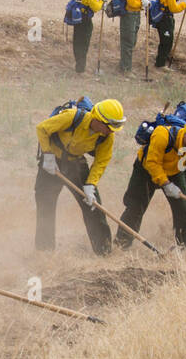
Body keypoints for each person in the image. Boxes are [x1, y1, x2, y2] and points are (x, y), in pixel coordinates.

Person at [117, 114, 186, 249]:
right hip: (146, 170)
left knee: (184, 208)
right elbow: (152, 163)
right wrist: (166, 184)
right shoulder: (162, 135)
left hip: (174, 172)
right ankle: (122, 243)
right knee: (135, 206)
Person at [34, 98, 126, 254]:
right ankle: (45, 252)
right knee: (45, 204)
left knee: (93, 207)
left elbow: (102, 160)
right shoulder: (72, 117)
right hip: (52, 163)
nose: (110, 131)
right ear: (97, 119)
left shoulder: (107, 136)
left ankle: (104, 252)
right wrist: (48, 155)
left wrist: (90, 185)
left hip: (75, 164)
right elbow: (42, 128)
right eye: (108, 127)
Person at [68, 0, 106, 73]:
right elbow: (96, 8)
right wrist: (102, 1)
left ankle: (78, 66)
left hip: (78, 21)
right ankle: (81, 69)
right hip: (85, 22)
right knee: (83, 45)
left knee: (77, 43)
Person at [118, 0, 150, 74]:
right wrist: (142, 4)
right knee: (128, 41)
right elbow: (131, 3)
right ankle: (125, 69)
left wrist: (144, 2)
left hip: (136, 15)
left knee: (132, 42)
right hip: (129, 15)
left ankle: (125, 65)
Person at [153, 0, 186, 68]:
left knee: (165, 41)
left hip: (162, 20)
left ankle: (161, 61)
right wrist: (185, 4)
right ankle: (160, 64)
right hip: (165, 21)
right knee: (167, 42)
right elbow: (174, 9)